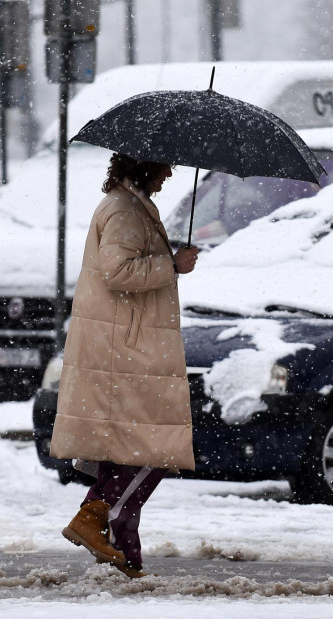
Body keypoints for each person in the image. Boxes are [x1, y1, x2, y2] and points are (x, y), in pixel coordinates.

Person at [49, 152, 199, 579]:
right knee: (152, 446)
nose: (170, 172)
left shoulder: (129, 205)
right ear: (145, 165)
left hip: (126, 344)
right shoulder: (124, 210)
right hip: (127, 349)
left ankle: (124, 557)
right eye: (165, 165)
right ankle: (95, 516)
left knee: (129, 448)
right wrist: (172, 265)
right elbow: (116, 272)